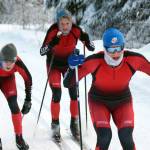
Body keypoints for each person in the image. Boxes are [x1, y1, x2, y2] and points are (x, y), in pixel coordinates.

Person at [63, 27, 150, 150]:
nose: (115, 53)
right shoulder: (94, 61)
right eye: (111, 49)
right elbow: (68, 83)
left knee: (126, 137)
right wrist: (72, 67)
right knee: (104, 137)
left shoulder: (134, 59)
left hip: (123, 101)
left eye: (118, 48)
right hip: (98, 101)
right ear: (105, 49)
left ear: (123, 46)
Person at [40, 8, 95, 141]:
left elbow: (92, 47)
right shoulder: (53, 31)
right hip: (54, 65)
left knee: (73, 93)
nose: (65, 27)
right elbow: (42, 51)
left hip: (70, 64)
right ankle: (55, 125)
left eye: (67, 23)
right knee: (57, 94)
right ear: (58, 23)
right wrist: (53, 43)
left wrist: (87, 40)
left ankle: (74, 123)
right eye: (62, 24)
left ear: (71, 22)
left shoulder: (76, 30)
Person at [0, 44, 32, 150]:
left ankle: (19, 138)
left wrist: (28, 99)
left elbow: (28, 79)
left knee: (14, 106)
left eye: (11, 62)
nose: (8, 65)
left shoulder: (18, 62)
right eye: (6, 62)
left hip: (8, 80)